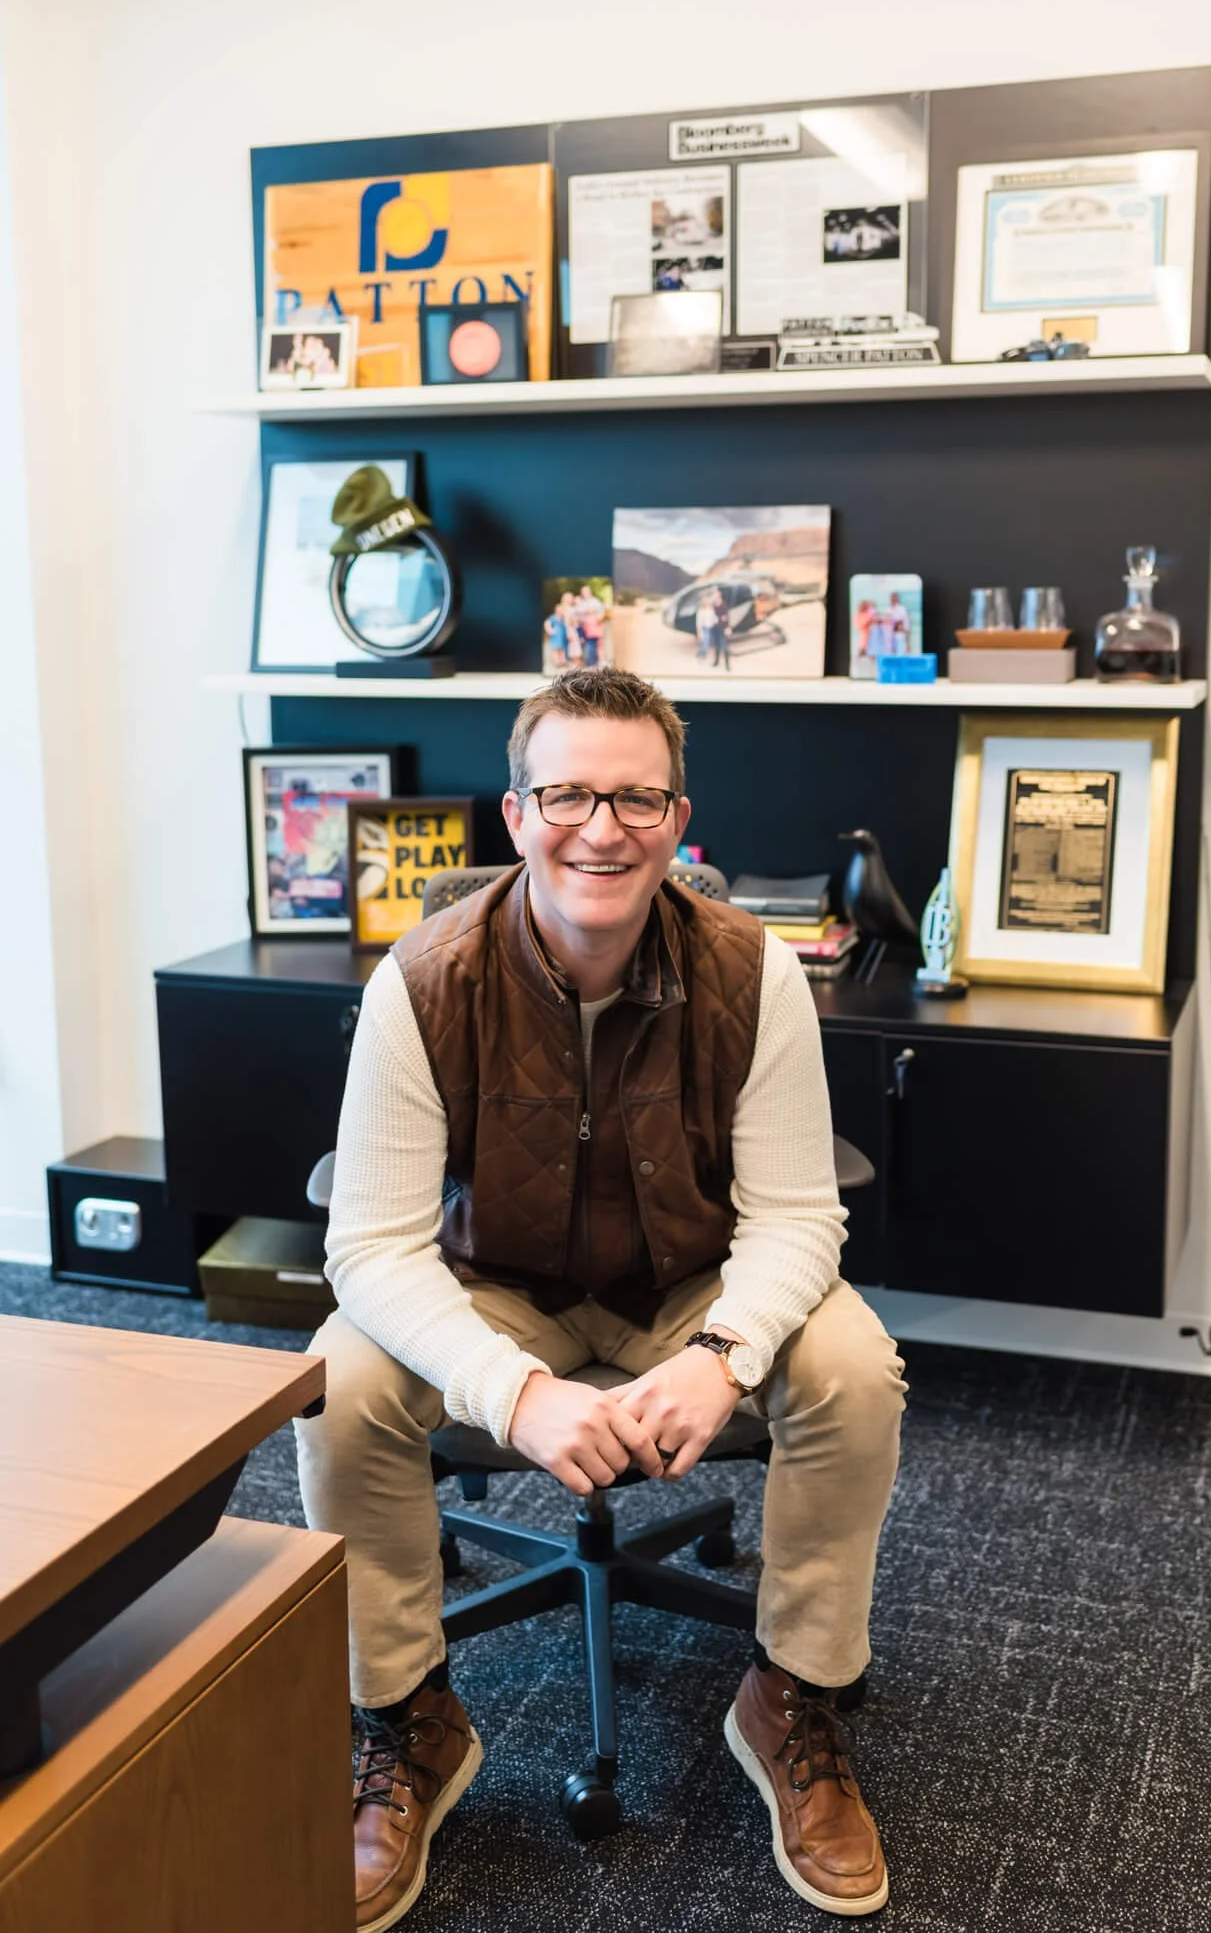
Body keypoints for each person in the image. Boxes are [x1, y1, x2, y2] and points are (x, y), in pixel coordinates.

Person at [295, 666, 906, 1929]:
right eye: (568, 792)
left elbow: (799, 1216)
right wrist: (507, 1389)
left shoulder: (754, 971)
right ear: (516, 815)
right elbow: (369, 1245)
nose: (601, 827)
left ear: (679, 821)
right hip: (496, 1292)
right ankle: (410, 1718)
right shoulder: (420, 981)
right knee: (342, 1381)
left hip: (689, 1285)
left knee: (852, 1364)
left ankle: (791, 1695)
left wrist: (725, 1355)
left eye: (636, 798)